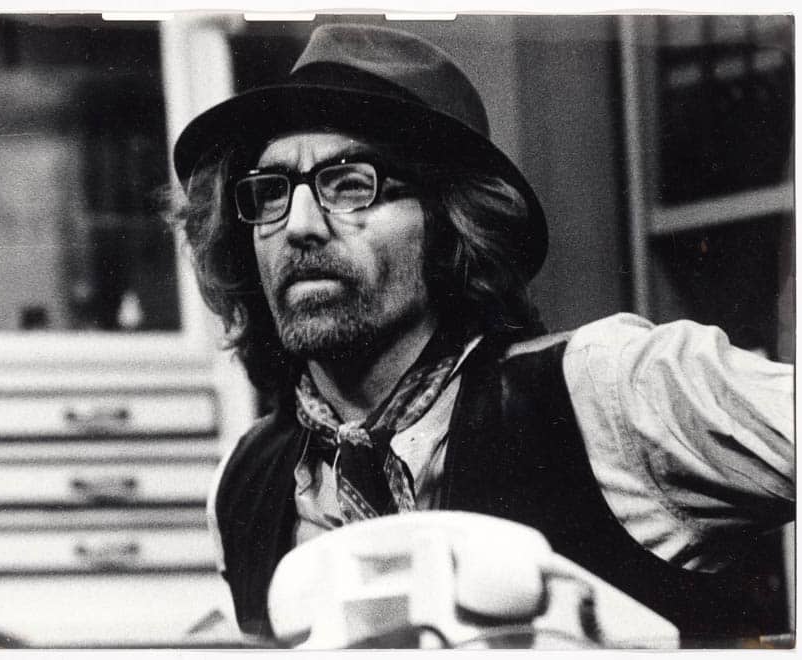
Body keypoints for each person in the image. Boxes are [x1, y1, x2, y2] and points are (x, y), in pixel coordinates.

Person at [171, 24, 794, 643]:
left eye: (351, 184)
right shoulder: (244, 483)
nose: (299, 225)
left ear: (453, 222)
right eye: (270, 193)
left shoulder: (610, 390)